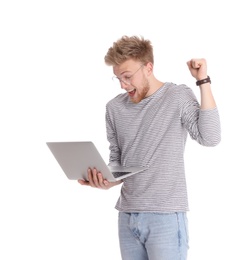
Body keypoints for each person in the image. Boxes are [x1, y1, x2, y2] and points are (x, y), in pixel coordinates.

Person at [78, 35, 221, 260]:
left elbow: (210, 137)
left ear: (148, 67)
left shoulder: (177, 96)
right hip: (127, 216)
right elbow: (117, 162)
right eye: (118, 79)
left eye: (127, 77)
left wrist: (203, 81)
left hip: (165, 217)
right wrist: (105, 181)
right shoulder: (114, 107)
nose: (124, 85)